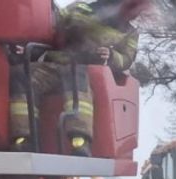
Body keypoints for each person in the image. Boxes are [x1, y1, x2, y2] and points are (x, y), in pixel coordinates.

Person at [9, 0, 148, 155]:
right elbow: (50, 29)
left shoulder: (130, 33)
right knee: (22, 75)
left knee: (76, 78)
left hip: (85, 69)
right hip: (55, 62)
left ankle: (79, 140)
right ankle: (24, 138)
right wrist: (28, 46)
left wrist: (111, 56)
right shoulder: (78, 8)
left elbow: (126, 59)